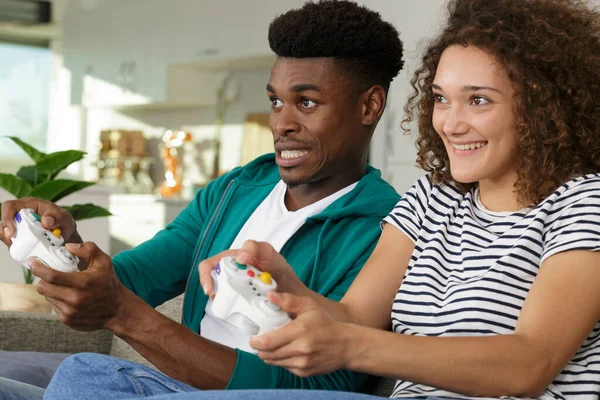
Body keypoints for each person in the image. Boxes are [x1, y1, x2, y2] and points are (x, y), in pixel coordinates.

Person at [173, 0, 600, 399]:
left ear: (545, 106)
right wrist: (287, 285)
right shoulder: (431, 199)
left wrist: (352, 346)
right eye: (440, 99)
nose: (450, 123)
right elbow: (355, 318)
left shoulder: (583, 203)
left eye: (478, 100)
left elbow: (529, 362)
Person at [0, 0, 404, 399]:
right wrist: (69, 253)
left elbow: (321, 389)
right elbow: (137, 278)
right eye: (276, 101)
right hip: (170, 385)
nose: (281, 123)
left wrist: (124, 315)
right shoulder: (236, 190)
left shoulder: (387, 229)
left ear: (369, 106)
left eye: (307, 102)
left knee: (85, 375)